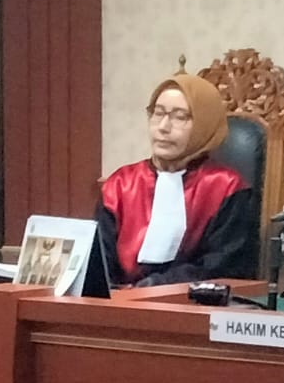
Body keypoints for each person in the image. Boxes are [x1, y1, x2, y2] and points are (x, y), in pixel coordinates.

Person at [96, 72, 260, 287]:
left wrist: (159, 285)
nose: (163, 127)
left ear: (204, 125)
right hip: (118, 301)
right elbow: (100, 260)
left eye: (180, 117)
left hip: (191, 301)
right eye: (158, 113)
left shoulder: (227, 187)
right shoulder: (120, 184)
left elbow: (224, 266)